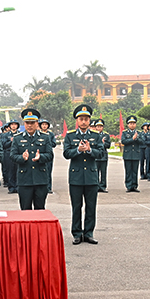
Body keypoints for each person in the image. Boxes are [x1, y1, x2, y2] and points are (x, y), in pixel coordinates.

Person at [63, 104, 103, 245]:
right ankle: (77, 233)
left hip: (91, 177)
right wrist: (78, 150)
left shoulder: (96, 136)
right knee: (76, 207)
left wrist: (90, 150)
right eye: (81, 119)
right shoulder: (70, 136)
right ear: (77, 121)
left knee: (91, 207)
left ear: (89, 120)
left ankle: (89, 233)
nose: (84, 122)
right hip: (76, 177)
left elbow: (101, 153)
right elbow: (66, 153)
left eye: (86, 119)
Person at [11, 108, 53, 210]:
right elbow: (12, 155)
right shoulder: (17, 138)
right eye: (27, 123)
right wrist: (22, 158)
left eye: (32, 123)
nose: (29, 125)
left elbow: (50, 155)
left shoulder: (45, 137)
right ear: (24, 124)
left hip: (40, 179)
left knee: (40, 210)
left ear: (37, 123)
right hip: (24, 180)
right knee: (25, 210)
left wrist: (40, 157)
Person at [120, 116, 142, 192]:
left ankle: (134, 186)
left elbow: (142, 141)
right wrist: (132, 139)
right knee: (128, 171)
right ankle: (129, 186)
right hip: (128, 155)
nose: (132, 125)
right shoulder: (125, 133)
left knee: (135, 171)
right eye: (130, 123)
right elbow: (123, 141)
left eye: (133, 123)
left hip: (136, 154)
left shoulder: (139, 133)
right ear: (128, 125)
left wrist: (136, 138)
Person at [39, 118, 57, 193]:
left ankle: (49, 187)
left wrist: (47, 143)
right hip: (40, 154)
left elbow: (54, 144)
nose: (44, 126)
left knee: (48, 171)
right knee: (40, 171)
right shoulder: (38, 134)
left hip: (48, 154)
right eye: (43, 124)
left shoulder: (51, 134)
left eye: (46, 124)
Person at [94, 118, 111, 192]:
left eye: (100, 126)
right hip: (96, 156)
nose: (99, 128)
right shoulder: (93, 135)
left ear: (103, 127)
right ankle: (96, 186)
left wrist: (103, 143)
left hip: (103, 156)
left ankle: (103, 186)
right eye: (97, 126)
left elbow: (108, 145)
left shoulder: (106, 135)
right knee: (96, 172)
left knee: (103, 173)